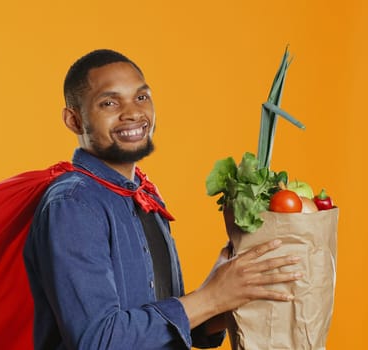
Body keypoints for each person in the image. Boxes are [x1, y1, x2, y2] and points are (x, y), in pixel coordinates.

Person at [23, 49, 302, 349]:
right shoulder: (74, 205)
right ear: (74, 120)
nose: (132, 112)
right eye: (109, 102)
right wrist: (211, 297)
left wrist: (233, 291)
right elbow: (100, 340)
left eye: (141, 97)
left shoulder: (144, 196)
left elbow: (167, 327)